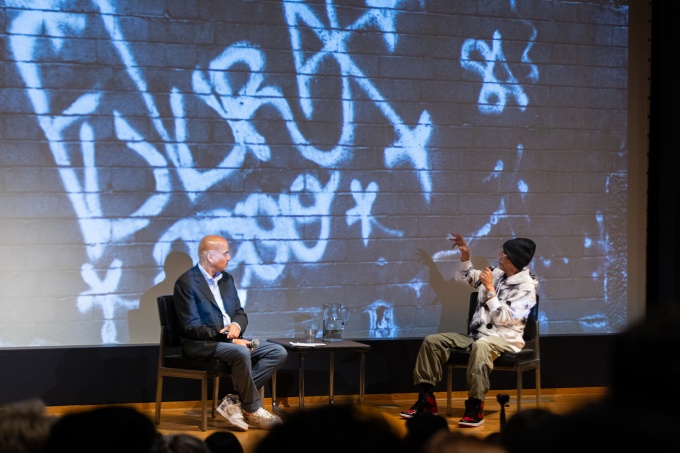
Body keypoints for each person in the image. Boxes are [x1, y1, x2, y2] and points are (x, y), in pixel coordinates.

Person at [400, 234, 537, 428]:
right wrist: (465, 257)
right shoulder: (497, 273)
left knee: (481, 346)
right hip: (479, 336)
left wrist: (489, 288)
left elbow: (504, 318)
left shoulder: (526, 287)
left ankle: (475, 406)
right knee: (433, 341)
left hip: (505, 339)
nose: (499, 255)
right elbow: (470, 278)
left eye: (503, 254)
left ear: (514, 260)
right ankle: (427, 399)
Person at [174, 234, 287, 431]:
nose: (229, 257)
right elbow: (191, 327)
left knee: (277, 351)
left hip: (230, 340)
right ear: (210, 256)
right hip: (202, 344)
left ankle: (233, 399)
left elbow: (239, 313)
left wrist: (236, 324)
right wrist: (228, 338)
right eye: (225, 253)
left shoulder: (226, 279)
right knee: (242, 351)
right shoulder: (186, 283)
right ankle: (252, 409)